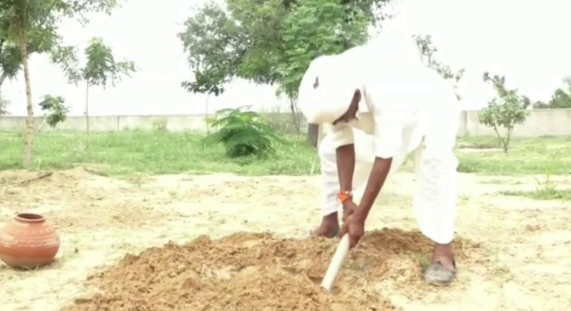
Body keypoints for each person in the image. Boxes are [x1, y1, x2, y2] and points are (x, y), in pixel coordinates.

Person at [298, 39, 460, 286]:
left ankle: (443, 251)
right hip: (380, 114)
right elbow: (343, 142)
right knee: (329, 151)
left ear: (355, 95)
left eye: (346, 115)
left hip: (429, 105)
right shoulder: (330, 87)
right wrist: (346, 199)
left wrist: (361, 215)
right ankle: (329, 223)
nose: (346, 120)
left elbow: (386, 155)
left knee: (434, 164)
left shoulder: (386, 87)